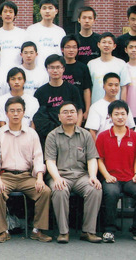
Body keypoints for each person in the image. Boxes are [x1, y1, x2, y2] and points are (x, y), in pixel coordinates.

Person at [0, 96, 53, 243]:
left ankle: (37, 230)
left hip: (26, 176)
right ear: (6, 113)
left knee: (45, 191)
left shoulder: (32, 133)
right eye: (12, 111)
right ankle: (3, 231)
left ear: (24, 112)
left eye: (19, 110)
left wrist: (40, 178)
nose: (16, 114)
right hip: (6, 176)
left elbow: (38, 157)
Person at [44, 101, 103, 244]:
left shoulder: (86, 135)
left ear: (77, 116)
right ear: (59, 117)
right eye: (65, 112)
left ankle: (88, 231)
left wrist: (93, 176)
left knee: (95, 189)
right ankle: (63, 232)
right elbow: (50, 161)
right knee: (59, 190)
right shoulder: (52, 135)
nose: (69, 115)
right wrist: (57, 178)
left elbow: (92, 159)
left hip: (81, 176)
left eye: (72, 112)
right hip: (60, 175)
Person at [95, 100, 136, 244]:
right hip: (110, 177)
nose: (120, 117)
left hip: (129, 178)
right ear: (110, 116)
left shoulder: (135, 136)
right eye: (116, 114)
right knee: (111, 193)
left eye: (123, 114)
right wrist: (106, 175)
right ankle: (109, 230)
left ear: (127, 115)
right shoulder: (102, 136)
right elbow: (99, 160)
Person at [33, 55, 84, 147]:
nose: (55, 70)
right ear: (47, 69)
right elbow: (38, 117)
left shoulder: (73, 89)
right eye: (51, 67)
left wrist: (76, 131)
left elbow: (79, 111)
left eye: (58, 67)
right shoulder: (40, 92)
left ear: (63, 69)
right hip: (47, 136)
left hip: (70, 133)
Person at [0, 67, 40, 132]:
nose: (16, 82)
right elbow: (2, 124)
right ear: (8, 82)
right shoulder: (1, 100)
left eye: (19, 79)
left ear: (24, 81)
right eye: (13, 79)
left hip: (27, 134)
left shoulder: (33, 101)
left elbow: (33, 124)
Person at [85, 73, 136, 140]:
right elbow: (92, 132)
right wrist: (98, 146)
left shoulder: (124, 106)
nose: (113, 88)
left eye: (116, 85)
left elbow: (131, 128)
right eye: (110, 85)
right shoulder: (95, 107)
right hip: (103, 144)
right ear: (104, 86)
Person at [87, 33, 131, 102]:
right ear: (98, 45)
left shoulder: (121, 64)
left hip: (115, 106)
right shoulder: (91, 64)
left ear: (114, 46)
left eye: (110, 43)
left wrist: (122, 105)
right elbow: (88, 89)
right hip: (96, 104)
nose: (106, 45)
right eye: (104, 42)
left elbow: (124, 87)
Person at [26, 0, 65, 67]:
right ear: (40, 11)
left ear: (56, 11)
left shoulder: (60, 32)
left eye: (50, 8)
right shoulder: (31, 30)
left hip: (55, 70)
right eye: (44, 8)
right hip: (36, 69)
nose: (47, 11)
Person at [0, 0, 28, 69]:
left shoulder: (23, 34)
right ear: (1, 15)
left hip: (17, 73)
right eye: (5, 11)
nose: (8, 14)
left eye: (11, 12)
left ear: (15, 15)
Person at [61, 35, 92, 117]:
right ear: (62, 49)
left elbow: (86, 89)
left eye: (74, 47)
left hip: (79, 108)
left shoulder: (83, 67)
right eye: (68, 47)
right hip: (61, 108)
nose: (71, 50)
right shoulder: (58, 67)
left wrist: (87, 110)